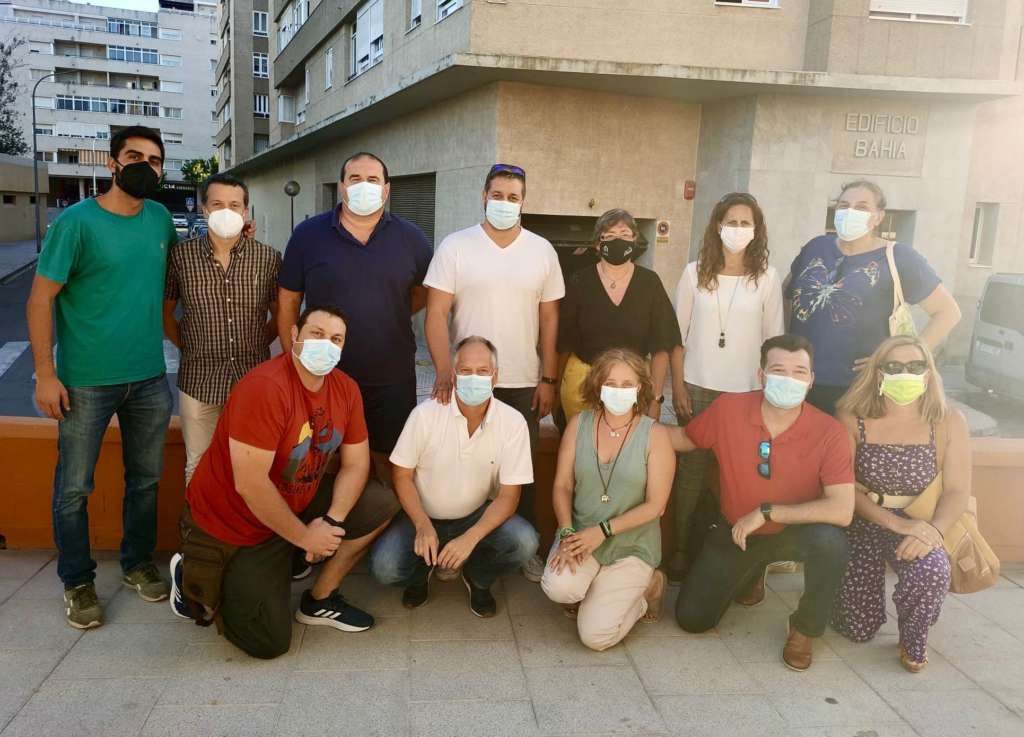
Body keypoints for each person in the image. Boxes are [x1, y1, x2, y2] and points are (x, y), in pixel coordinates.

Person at [170, 305, 400, 658]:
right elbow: (251, 485)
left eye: (336, 339)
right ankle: (192, 572)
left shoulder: (346, 389)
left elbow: (356, 464)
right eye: (316, 334)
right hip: (237, 523)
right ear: (294, 335)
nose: (326, 344)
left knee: (382, 501)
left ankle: (319, 599)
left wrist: (332, 521)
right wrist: (306, 537)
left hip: (294, 502)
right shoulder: (265, 387)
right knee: (268, 642)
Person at [27, 126, 175, 629]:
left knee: (146, 481)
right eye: (134, 156)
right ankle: (77, 581)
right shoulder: (76, 223)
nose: (145, 166)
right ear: (112, 163)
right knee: (74, 488)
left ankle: (137, 563)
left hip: (149, 378)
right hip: (85, 382)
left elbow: (174, 280)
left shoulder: (160, 220)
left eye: (154, 160)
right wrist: (44, 374)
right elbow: (40, 299)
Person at [668, 334, 854, 671]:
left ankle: (805, 628)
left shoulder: (830, 431)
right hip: (737, 531)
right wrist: (629, 427)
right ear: (761, 375)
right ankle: (752, 570)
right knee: (692, 619)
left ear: (811, 380)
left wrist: (768, 512)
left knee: (831, 542)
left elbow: (842, 510)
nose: (789, 379)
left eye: (799, 372)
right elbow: (682, 439)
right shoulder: (728, 408)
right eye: (779, 370)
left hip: (793, 533)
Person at [424, 163, 565, 582]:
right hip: (466, 380)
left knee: (520, 470)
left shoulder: (542, 251)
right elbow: (435, 313)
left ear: (524, 202)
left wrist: (549, 379)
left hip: (521, 381)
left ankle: (522, 548)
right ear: (484, 196)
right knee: (461, 466)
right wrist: (444, 369)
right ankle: (456, 546)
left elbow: (550, 319)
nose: (505, 203)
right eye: (497, 195)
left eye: (513, 197)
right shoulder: (456, 246)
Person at [277, 152, 432, 488]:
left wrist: (389, 310)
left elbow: (424, 292)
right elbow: (288, 300)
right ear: (342, 187)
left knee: (391, 464)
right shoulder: (307, 235)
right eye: (355, 179)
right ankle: (327, 521)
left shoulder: (413, 239)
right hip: (324, 376)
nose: (364, 186)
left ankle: (385, 522)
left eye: (373, 180)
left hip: (391, 379)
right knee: (322, 461)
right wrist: (294, 359)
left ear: (386, 189)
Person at [368, 336, 540, 616]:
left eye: (482, 371)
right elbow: (401, 476)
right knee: (385, 568)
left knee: (525, 542)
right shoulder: (425, 415)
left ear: (495, 377)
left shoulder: (513, 423)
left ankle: (477, 576)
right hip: (422, 516)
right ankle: (421, 572)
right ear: (453, 375)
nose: (474, 378)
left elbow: (509, 496)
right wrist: (422, 525)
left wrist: (471, 537)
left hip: (476, 515)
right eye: (465, 371)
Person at [831, 336, 970, 672]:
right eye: (893, 366)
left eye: (915, 365)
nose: (905, 373)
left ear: (928, 373)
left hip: (920, 519)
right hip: (863, 518)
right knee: (857, 628)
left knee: (932, 569)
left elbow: (956, 491)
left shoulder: (949, 421)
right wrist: (897, 524)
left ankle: (914, 635)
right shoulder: (851, 416)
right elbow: (844, 488)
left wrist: (933, 532)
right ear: (878, 373)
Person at [668, 192, 784, 581]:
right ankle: (681, 549)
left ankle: (742, 559)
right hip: (697, 388)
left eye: (745, 223)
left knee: (744, 475)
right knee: (691, 473)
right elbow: (677, 337)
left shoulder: (766, 278)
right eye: (731, 222)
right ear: (718, 225)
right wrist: (677, 386)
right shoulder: (694, 273)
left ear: (756, 229)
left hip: (746, 393)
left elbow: (774, 342)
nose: (737, 229)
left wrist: (769, 395)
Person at [787, 180, 961, 415]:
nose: (850, 212)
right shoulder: (816, 247)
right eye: (844, 205)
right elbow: (788, 295)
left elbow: (948, 312)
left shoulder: (899, 257)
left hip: (859, 387)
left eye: (861, 207)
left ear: (878, 217)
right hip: (799, 381)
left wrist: (902, 358)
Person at [541, 349, 674, 651]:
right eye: (611, 383)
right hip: (580, 536)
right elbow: (562, 485)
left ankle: (648, 589)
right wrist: (566, 531)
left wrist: (602, 532)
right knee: (559, 588)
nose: (618, 390)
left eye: (627, 384)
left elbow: (656, 506)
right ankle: (597, 589)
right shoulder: (579, 424)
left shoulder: (655, 435)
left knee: (595, 637)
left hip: (631, 545)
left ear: (640, 388)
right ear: (597, 385)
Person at [163, 172, 281, 484]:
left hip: (252, 379)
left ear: (245, 211)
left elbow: (280, 315)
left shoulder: (267, 258)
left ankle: (245, 519)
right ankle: (199, 518)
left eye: (234, 205)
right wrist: (188, 346)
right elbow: (166, 314)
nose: (226, 211)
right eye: (217, 204)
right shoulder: (181, 257)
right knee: (198, 465)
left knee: (252, 468)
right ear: (204, 209)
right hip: (198, 380)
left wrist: (258, 343)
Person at [557, 208, 680, 424]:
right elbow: (564, 342)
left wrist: (656, 399)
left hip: (633, 387)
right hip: (583, 386)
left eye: (624, 234)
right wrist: (553, 387)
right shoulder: (579, 281)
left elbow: (661, 346)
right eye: (610, 235)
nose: (618, 241)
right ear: (598, 243)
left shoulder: (650, 283)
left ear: (634, 240)